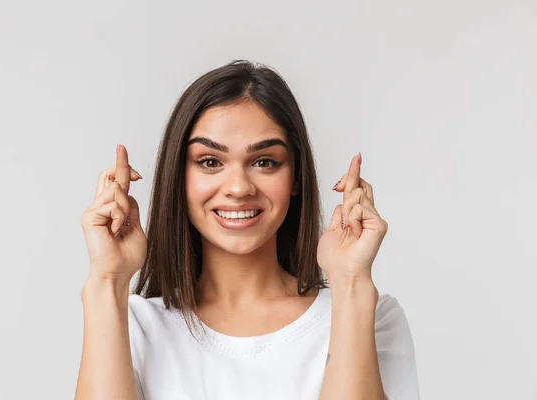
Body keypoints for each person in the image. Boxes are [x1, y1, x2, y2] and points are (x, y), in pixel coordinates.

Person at [75, 60, 419, 400]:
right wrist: (107, 281)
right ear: (179, 178)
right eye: (210, 162)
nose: (238, 187)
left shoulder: (369, 317)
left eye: (264, 162)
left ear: (295, 176)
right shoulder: (132, 327)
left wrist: (352, 282)